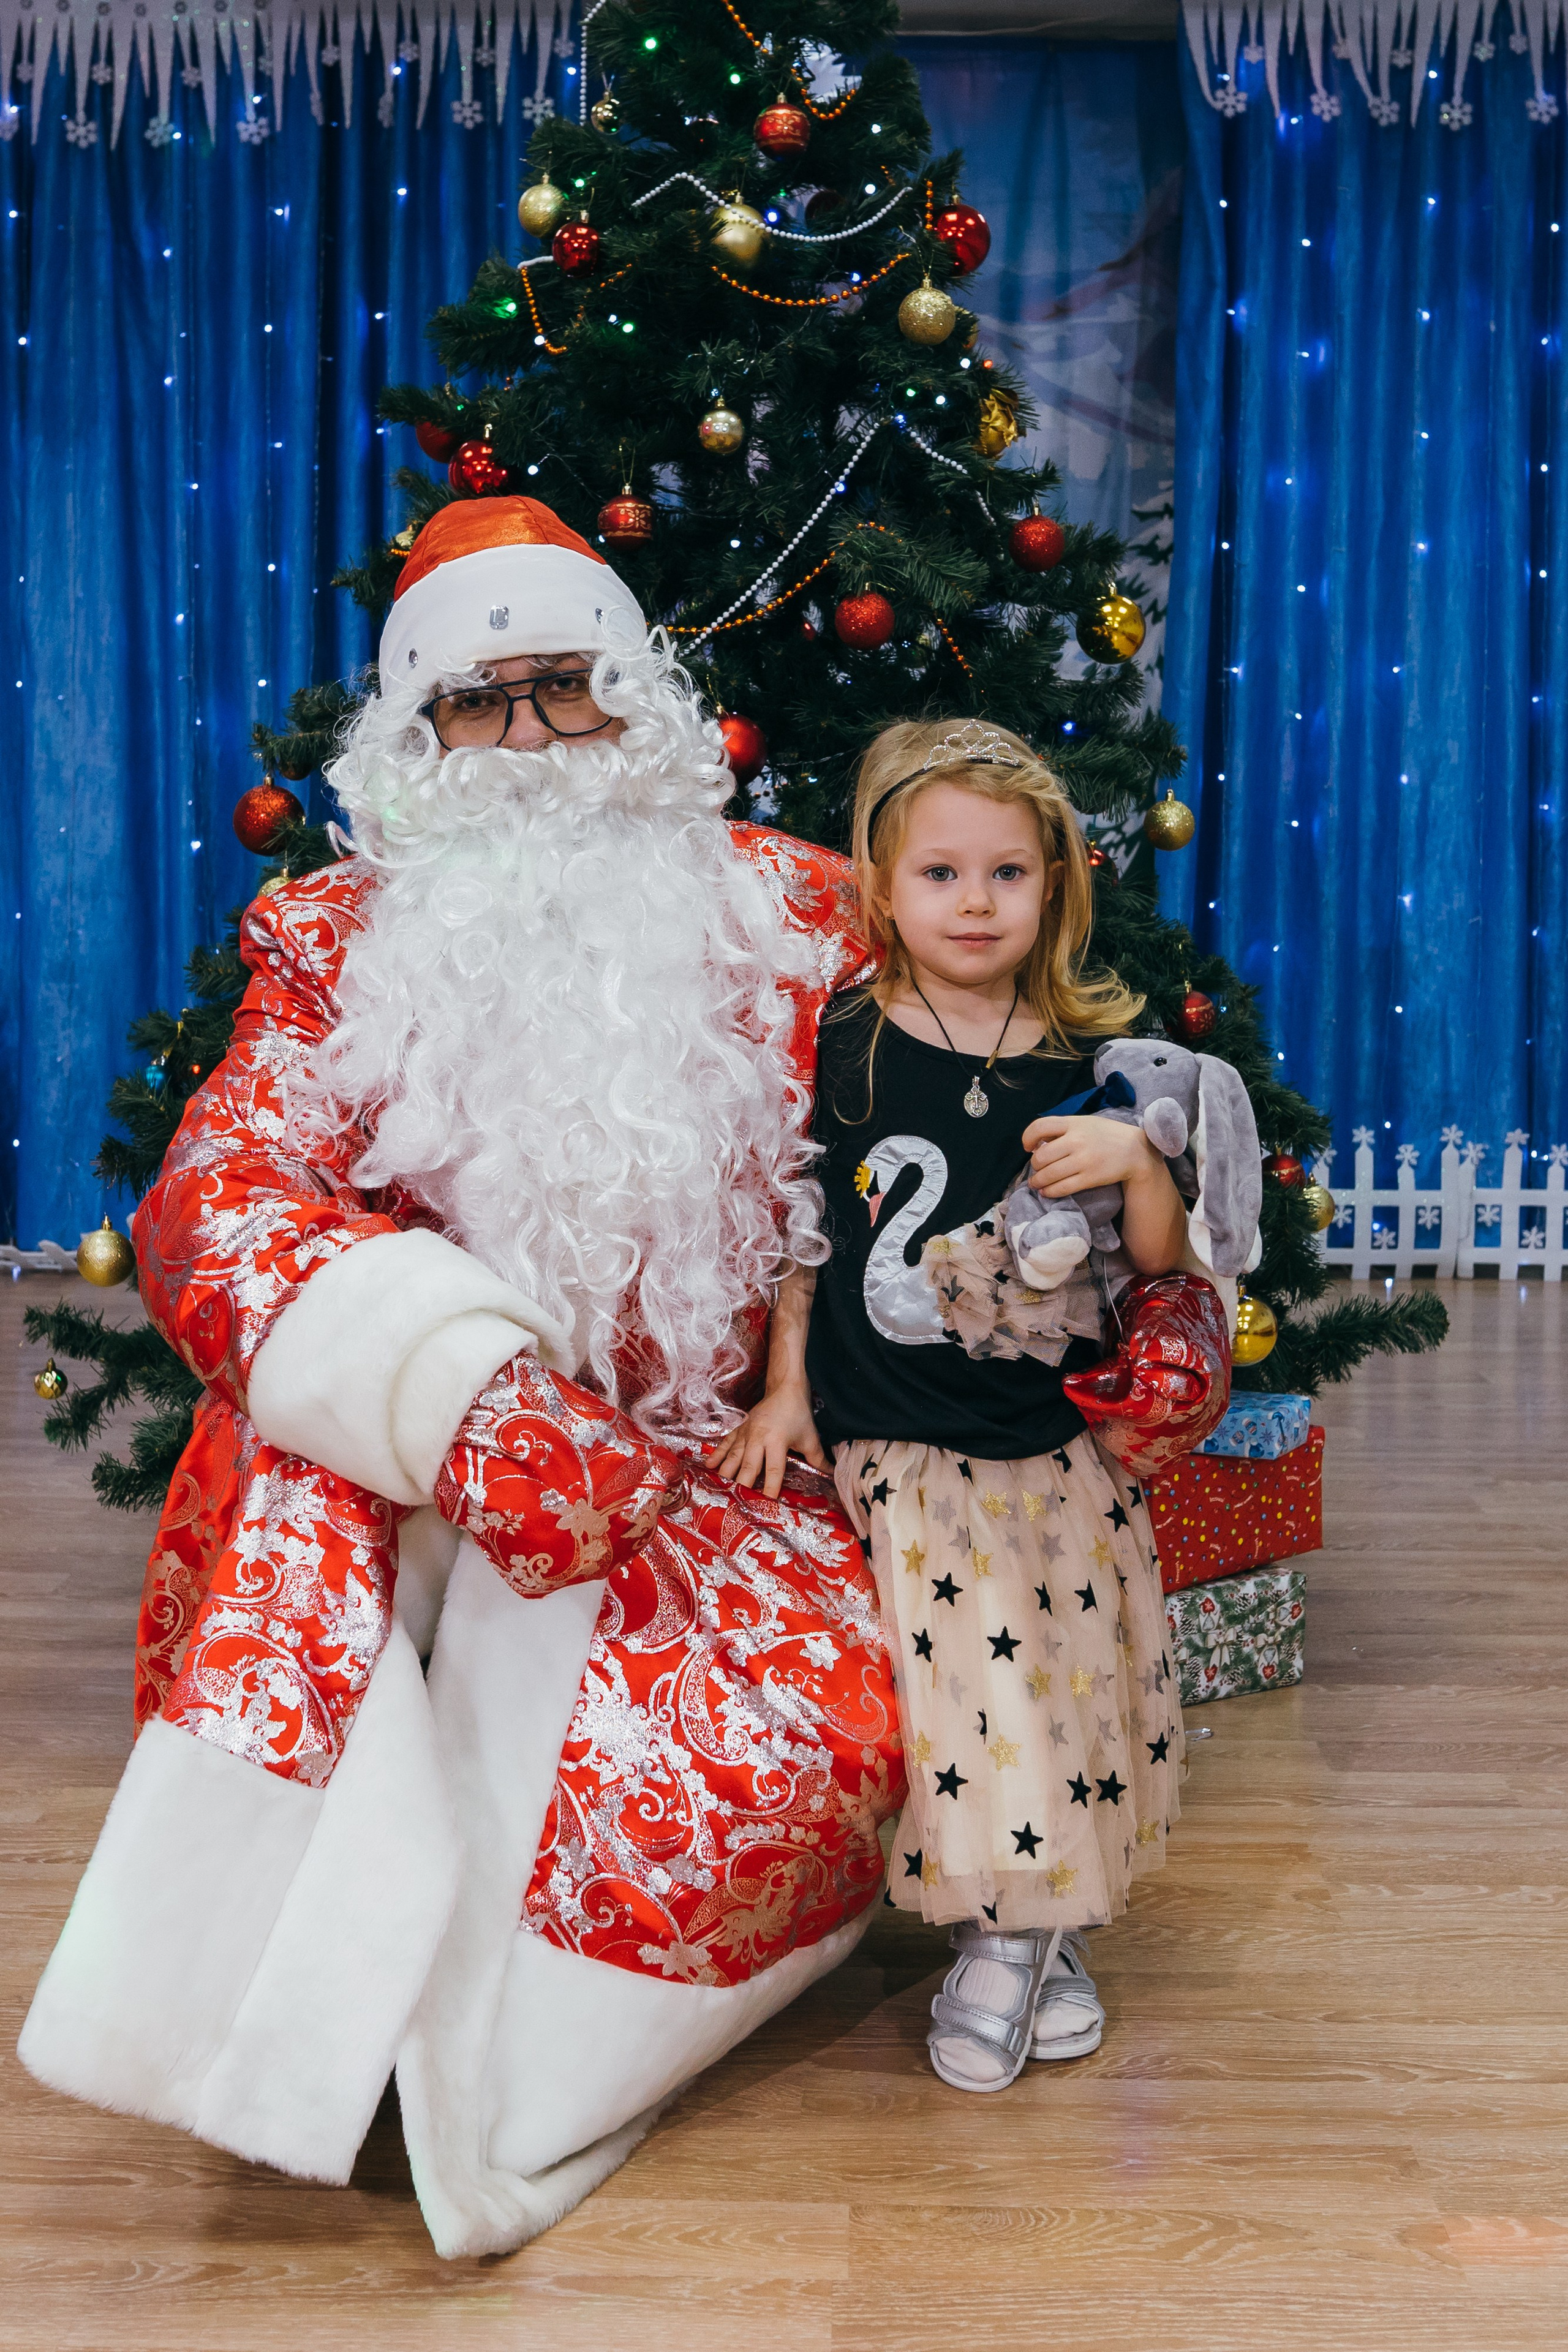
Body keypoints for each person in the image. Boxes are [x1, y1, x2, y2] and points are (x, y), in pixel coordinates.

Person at [19, 498, 906, 2256]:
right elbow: (216, 1198)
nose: (527, 741)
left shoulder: (797, 912)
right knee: (306, 1512)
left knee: (796, 1757)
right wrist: (460, 1389)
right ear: (415, 738)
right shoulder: (335, 938)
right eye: (476, 703)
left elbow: (972, 1086)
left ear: (636, 703)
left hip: (722, 1473)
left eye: (565, 689)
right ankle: (309, 2020)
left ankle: (471, 2075)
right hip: (417, 1488)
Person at [713, 718, 1192, 2094]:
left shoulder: (1088, 1059)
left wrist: (1136, 1162)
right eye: (938, 874)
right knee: (962, 1695)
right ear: (880, 885)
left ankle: (1023, 1937)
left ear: (1055, 884)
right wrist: (787, 1390)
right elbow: (811, 1233)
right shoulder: (846, 1039)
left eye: (1005, 874)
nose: (972, 903)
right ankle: (1020, 1938)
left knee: (1049, 1692)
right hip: (893, 1446)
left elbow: (1152, 1264)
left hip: (1042, 1452)